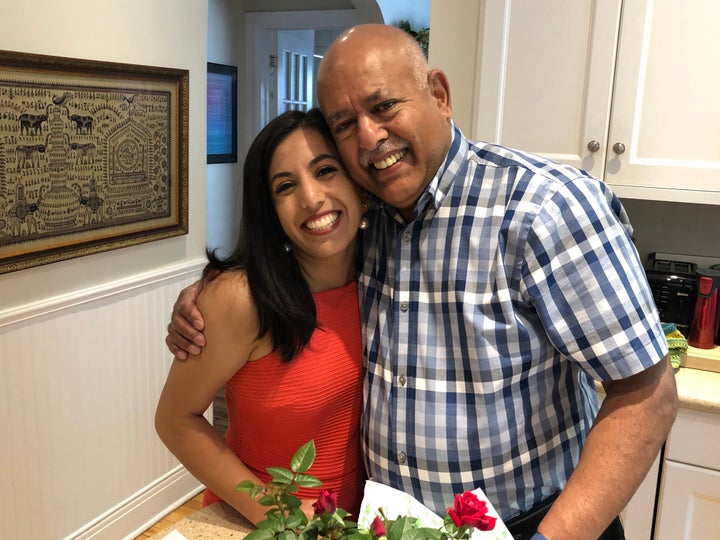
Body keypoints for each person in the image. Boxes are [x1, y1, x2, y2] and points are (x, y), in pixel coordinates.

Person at [167, 25, 678, 540]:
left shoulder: (544, 208)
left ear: (439, 94)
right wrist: (206, 297)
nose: (369, 137)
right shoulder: (370, 224)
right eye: (345, 124)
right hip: (390, 526)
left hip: (537, 524)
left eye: (385, 105)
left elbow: (646, 393)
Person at [155, 108, 368, 526]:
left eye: (325, 170)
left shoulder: (384, 273)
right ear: (269, 210)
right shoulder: (241, 299)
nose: (311, 198)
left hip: (360, 520)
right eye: (285, 186)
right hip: (264, 523)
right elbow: (175, 420)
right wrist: (282, 517)